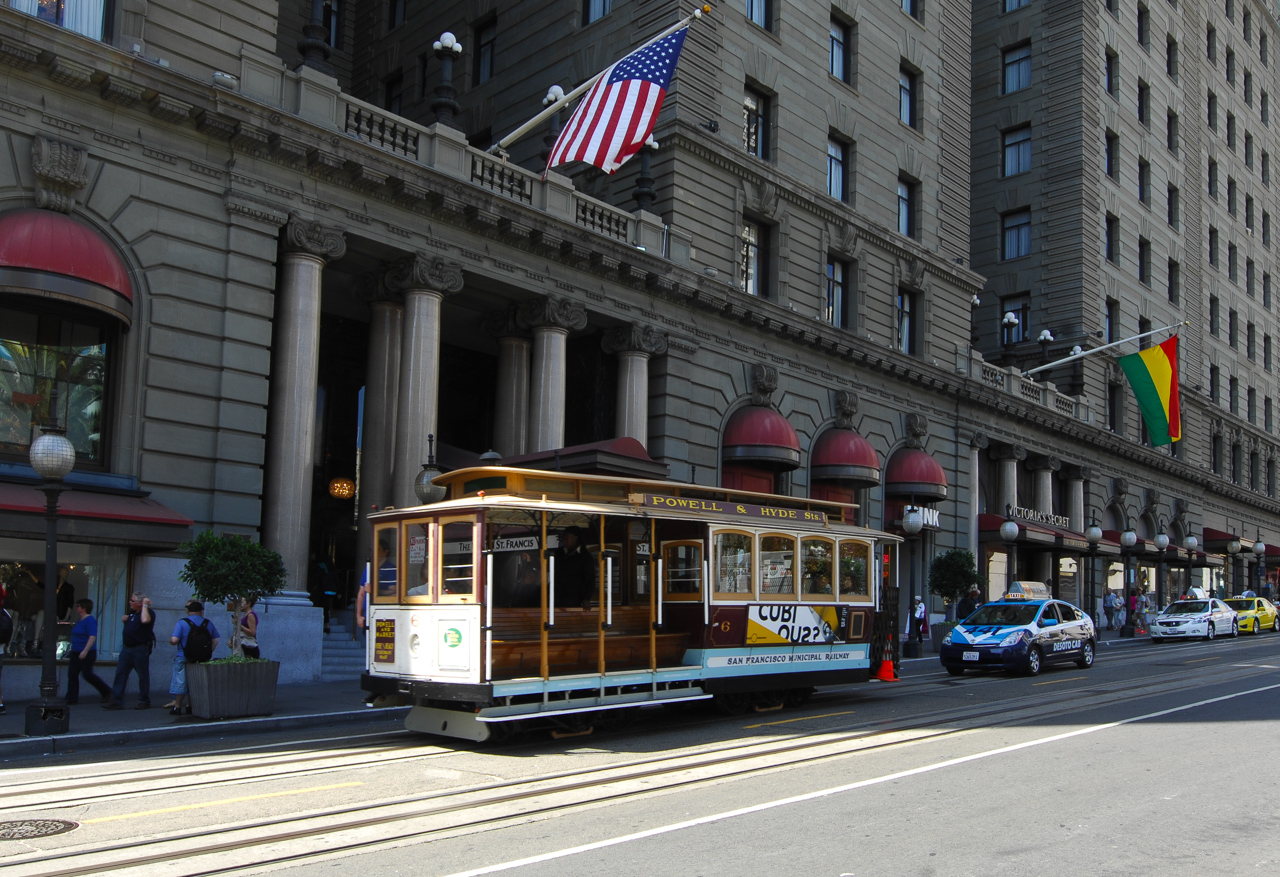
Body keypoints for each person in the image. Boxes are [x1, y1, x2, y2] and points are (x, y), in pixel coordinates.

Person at [103, 593, 155, 710]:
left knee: (142, 675)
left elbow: (145, 621)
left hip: (140, 648)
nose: (130, 602)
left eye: (132, 600)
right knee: (120, 673)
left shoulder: (147, 613)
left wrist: (145, 606)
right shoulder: (132, 614)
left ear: (139, 603)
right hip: (127, 648)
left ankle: (144, 700)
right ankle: (116, 700)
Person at [168, 600, 220, 716]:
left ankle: (177, 707)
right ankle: (189, 706)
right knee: (195, 681)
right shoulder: (208, 623)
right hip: (202, 658)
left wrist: (171, 641)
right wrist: (207, 652)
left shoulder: (182, 623)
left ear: (189, 611)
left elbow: (174, 640)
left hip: (183, 656)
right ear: (201, 611)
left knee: (180, 680)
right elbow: (216, 640)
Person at [65, 598, 111, 705]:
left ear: (84, 608)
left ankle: (107, 691)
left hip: (87, 652)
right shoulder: (79, 620)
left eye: (78, 606)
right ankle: (71, 698)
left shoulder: (90, 620)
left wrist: (85, 651)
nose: (77, 608)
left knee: (87, 674)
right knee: (72, 674)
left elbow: (92, 637)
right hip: (76, 651)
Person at [552, 527, 595, 608]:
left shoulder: (585, 556)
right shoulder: (558, 553)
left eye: (567, 538)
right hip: (557, 597)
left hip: (575, 599)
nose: (564, 541)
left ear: (575, 538)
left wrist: (586, 598)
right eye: (564, 539)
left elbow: (590, 579)